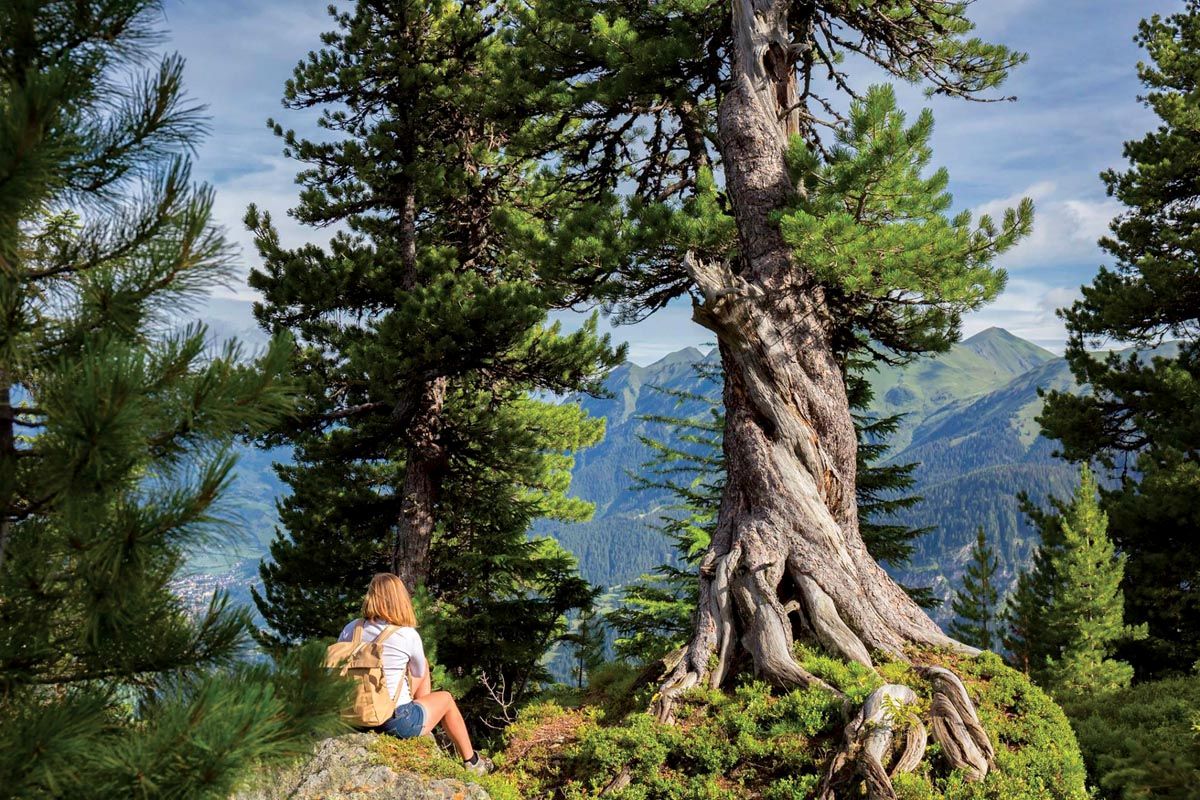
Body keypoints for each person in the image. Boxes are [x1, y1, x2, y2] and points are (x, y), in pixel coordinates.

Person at [338, 573, 493, 775]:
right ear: (400, 599)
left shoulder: (351, 629)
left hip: (354, 718)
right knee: (445, 697)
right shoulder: (406, 634)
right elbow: (419, 673)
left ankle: (422, 720)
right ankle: (472, 762)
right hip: (394, 722)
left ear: (371, 596)